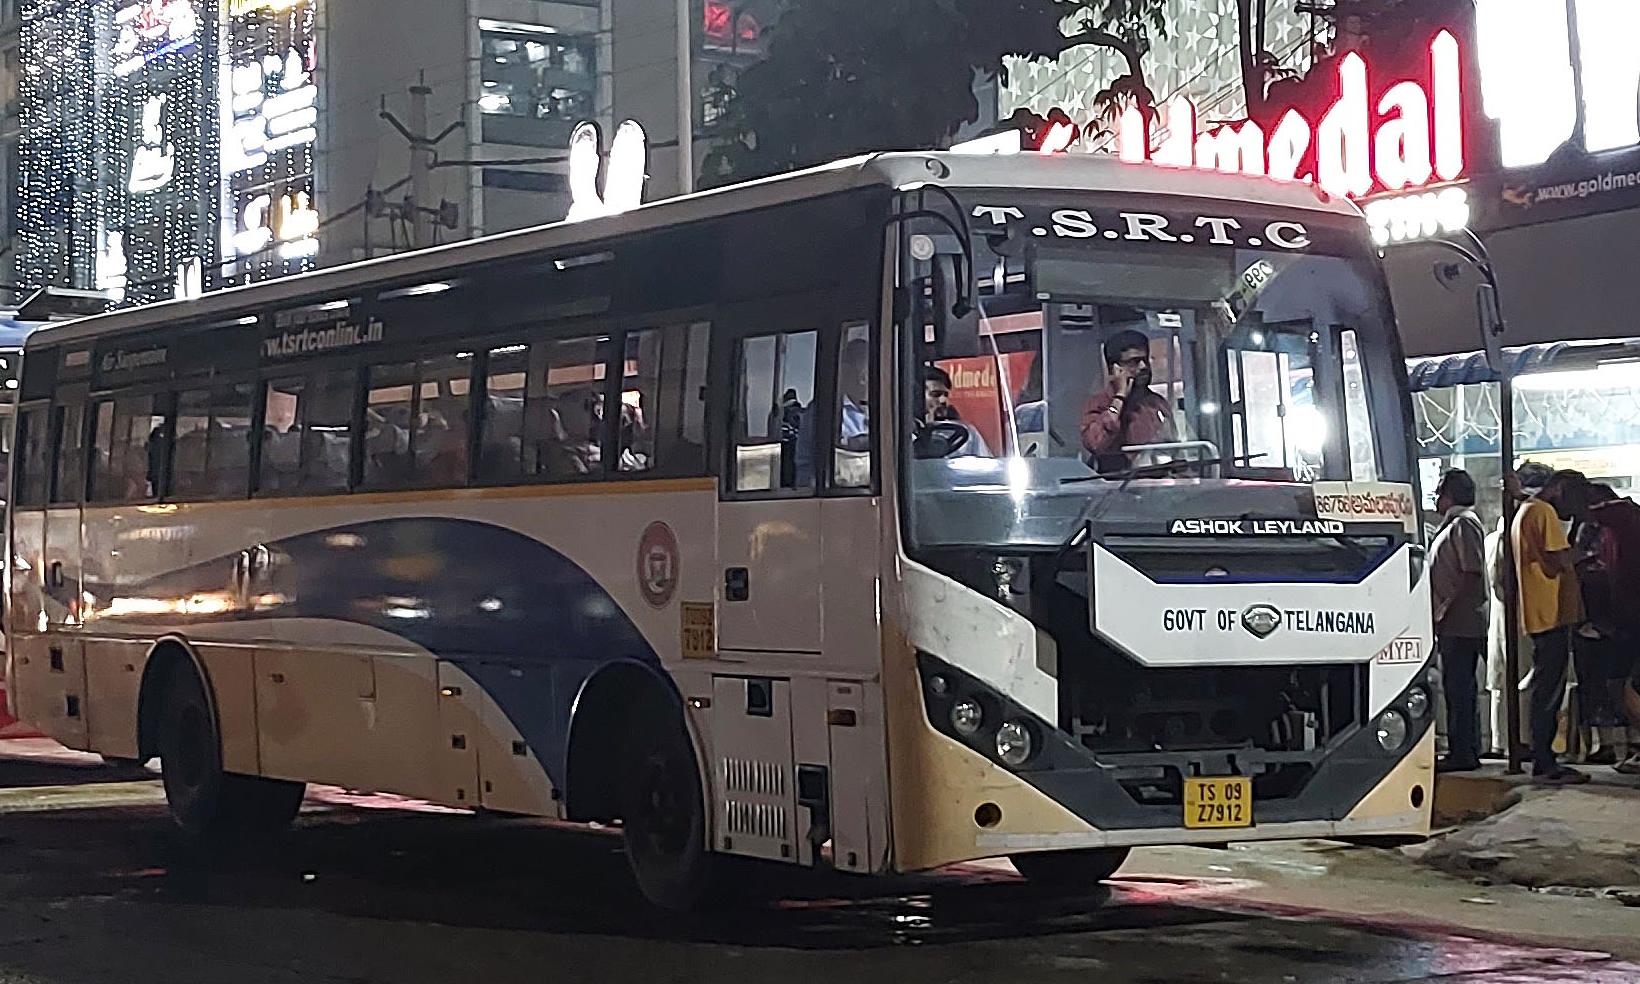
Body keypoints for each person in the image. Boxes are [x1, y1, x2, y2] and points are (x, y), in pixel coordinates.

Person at [1512, 465, 1593, 784]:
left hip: (1542, 612)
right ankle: (1545, 762)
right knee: (1549, 691)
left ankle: (1543, 757)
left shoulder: (1528, 510)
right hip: (1550, 613)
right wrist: (1585, 549)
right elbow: (1559, 560)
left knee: (1546, 687)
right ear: (1559, 489)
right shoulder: (1543, 512)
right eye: (1573, 500)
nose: (1572, 510)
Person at [1430, 469, 1488, 772]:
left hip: (1460, 622)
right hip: (1453, 622)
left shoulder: (1464, 523)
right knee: (1457, 688)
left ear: (1448, 495)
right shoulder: (1453, 524)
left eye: (1439, 493)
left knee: (1460, 688)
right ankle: (1463, 748)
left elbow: (1471, 573)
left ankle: (1463, 752)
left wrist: (1445, 609)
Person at [1584, 486, 1640, 773]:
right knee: (1620, 684)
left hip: (1631, 619)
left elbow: (1606, 508)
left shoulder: (1623, 515)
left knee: (1623, 684)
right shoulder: (1610, 532)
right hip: (1623, 619)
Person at [1080, 329, 1176, 473]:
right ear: (1115, 369)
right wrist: (1119, 397)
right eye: (1134, 362)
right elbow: (1095, 443)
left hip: (1160, 479)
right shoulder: (1099, 403)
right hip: (1120, 482)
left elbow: (1176, 446)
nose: (1143, 367)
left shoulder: (1156, 403)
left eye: (1145, 360)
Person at [923, 365, 991, 457]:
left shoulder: (968, 433)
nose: (943, 400)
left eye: (945, 395)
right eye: (936, 394)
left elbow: (983, 461)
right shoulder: (906, 431)